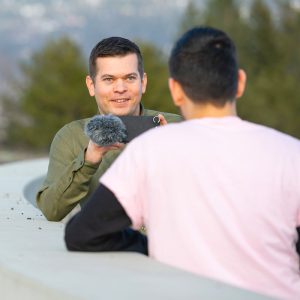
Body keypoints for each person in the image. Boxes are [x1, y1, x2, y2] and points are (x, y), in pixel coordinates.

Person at [64, 26, 300, 299]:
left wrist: (149, 245)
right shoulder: (291, 153)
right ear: (239, 82)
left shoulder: (150, 149)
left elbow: (83, 234)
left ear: (175, 89)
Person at [36, 37, 182, 221]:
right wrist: (89, 160)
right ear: (91, 85)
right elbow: (52, 210)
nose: (120, 88)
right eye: (109, 79)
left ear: (142, 82)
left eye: (130, 78)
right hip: (111, 245)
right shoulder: (72, 137)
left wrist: (172, 156)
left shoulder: (178, 127)